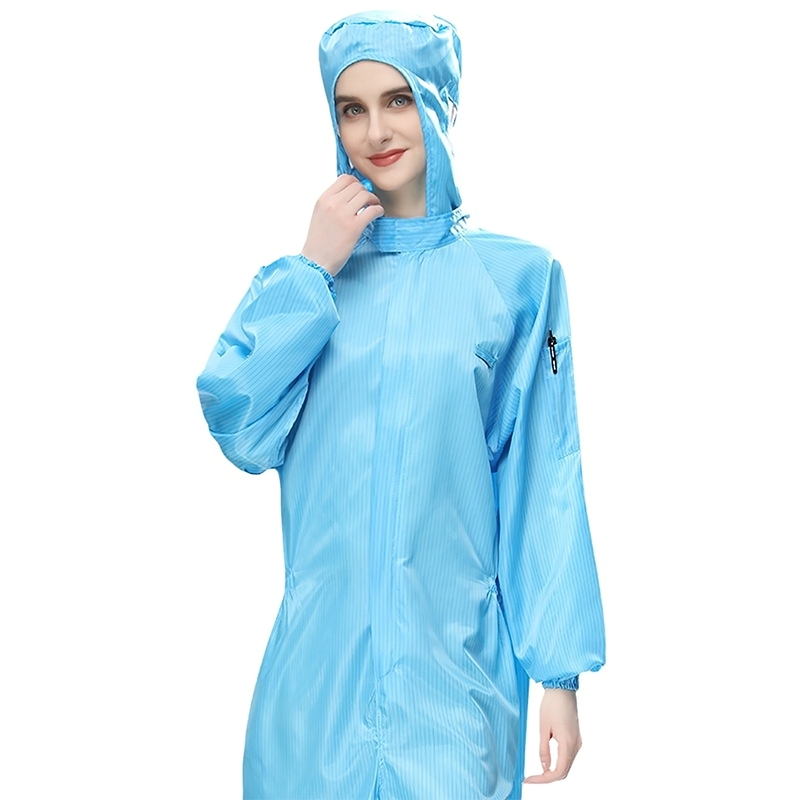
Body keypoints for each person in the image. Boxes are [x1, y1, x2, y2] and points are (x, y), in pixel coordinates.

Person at [196, 10, 605, 800]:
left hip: (453, 685)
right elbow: (239, 422)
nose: (375, 131)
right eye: (351, 109)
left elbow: (544, 477)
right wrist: (312, 268)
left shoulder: (518, 279)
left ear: (439, 102)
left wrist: (559, 674)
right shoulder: (310, 282)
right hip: (313, 695)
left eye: (398, 100)